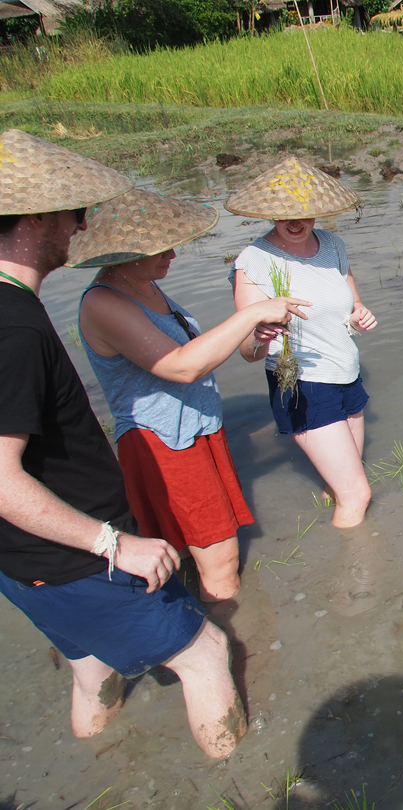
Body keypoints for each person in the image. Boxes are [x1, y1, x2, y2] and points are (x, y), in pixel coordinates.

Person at [0, 129, 246, 757]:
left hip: (26, 561)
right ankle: (241, 777)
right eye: (74, 210)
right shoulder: (16, 327)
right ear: (35, 216)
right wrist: (112, 543)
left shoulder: (18, 310)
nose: (83, 225)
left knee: (93, 668)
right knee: (206, 652)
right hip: (73, 556)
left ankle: (102, 765)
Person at [71, 189, 309, 601]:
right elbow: (182, 366)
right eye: (161, 248)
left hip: (195, 432)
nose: (173, 255)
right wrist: (253, 312)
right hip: (165, 444)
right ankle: (228, 632)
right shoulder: (104, 302)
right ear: (125, 252)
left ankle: (195, 620)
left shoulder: (143, 284)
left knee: (179, 557)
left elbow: (191, 349)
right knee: (221, 566)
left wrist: (253, 333)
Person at [227, 156, 376, 529]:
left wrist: (359, 316)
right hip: (302, 383)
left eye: (304, 214)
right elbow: (248, 351)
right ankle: (360, 566)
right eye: (284, 216)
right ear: (270, 213)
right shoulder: (254, 260)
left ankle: (323, 545)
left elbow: (352, 305)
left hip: (346, 373)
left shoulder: (333, 245)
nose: (295, 223)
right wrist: (260, 334)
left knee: (340, 486)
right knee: (357, 494)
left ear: (319, 210)